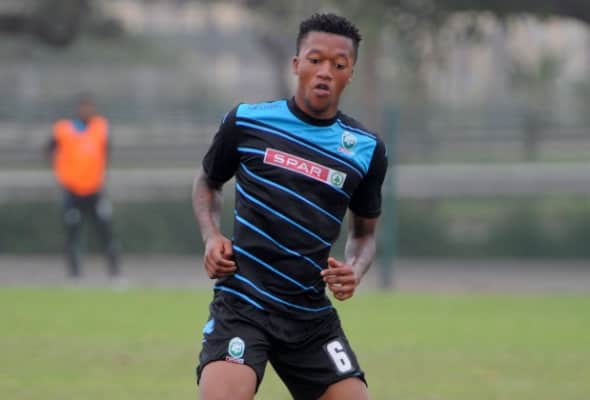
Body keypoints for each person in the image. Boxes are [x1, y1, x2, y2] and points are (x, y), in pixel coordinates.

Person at [192, 13, 387, 400]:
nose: (325, 72)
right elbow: (207, 182)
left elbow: (364, 235)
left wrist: (355, 269)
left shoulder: (366, 150)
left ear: (350, 74)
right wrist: (211, 236)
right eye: (315, 60)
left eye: (338, 64)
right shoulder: (247, 122)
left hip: (309, 316)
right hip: (243, 302)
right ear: (297, 64)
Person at [46, 94, 121, 281]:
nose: (86, 111)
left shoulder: (100, 127)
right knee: (72, 233)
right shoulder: (64, 129)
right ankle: (74, 274)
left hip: (95, 190)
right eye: (83, 107)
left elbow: (106, 151)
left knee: (105, 232)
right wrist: (60, 172)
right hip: (72, 191)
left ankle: (114, 273)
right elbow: (49, 149)